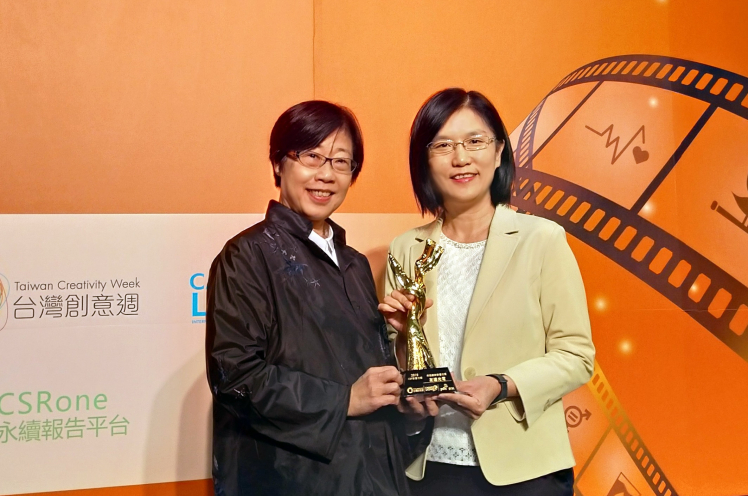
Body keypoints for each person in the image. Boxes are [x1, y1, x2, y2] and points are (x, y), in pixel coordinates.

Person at [379, 88, 595, 495]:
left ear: (498, 153)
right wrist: (405, 337)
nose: (460, 158)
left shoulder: (541, 239)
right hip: (430, 467)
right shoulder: (405, 248)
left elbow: (576, 356)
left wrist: (500, 384)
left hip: (526, 470)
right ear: (424, 162)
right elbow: (403, 367)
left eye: (475, 141)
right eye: (443, 145)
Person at [206, 100, 419, 495]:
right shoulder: (247, 255)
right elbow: (235, 377)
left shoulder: (354, 263)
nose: (326, 174)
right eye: (312, 156)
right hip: (294, 480)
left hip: (372, 477)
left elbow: (359, 381)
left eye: (341, 162)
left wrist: (406, 394)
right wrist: (344, 400)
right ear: (278, 163)